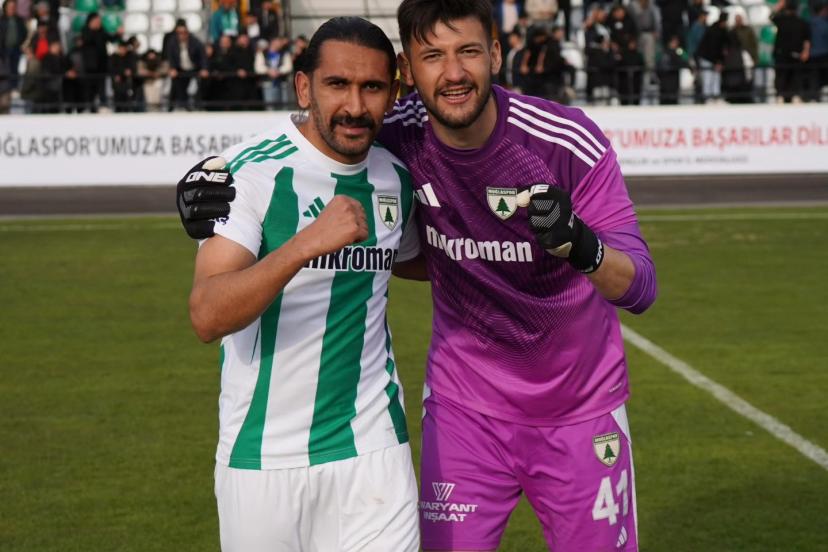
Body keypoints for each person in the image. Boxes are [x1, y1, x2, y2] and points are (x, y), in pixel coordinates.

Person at [177, 1, 657, 550]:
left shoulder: (563, 142)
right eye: (433, 56)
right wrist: (202, 184)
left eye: (468, 51)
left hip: (578, 407)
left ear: (495, 54)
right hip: (463, 411)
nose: (453, 73)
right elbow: (309, 145)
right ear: (409, 71)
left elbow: (641, 287)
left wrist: (581, 244)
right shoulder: (392, 136)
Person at [180, 16, 419, 552]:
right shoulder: (250, 173)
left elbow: (414, 260)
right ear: (305, 87)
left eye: (372, 87)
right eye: (337, 84)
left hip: (373, 449)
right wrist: (304, 244)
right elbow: (207, 315)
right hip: (262, 458)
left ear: (392, 94)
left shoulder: (395, 177)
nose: (355, 106)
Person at [771, 0, 811, 103]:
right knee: (795, 75)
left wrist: (779, 6)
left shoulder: (781, 20)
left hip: (782, 54)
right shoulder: (801, 22)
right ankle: (794, 96)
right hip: (795, 54)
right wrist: (805, 51)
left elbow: (771, 16)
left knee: (782, 75)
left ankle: (781, 96)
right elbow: (807, 40)